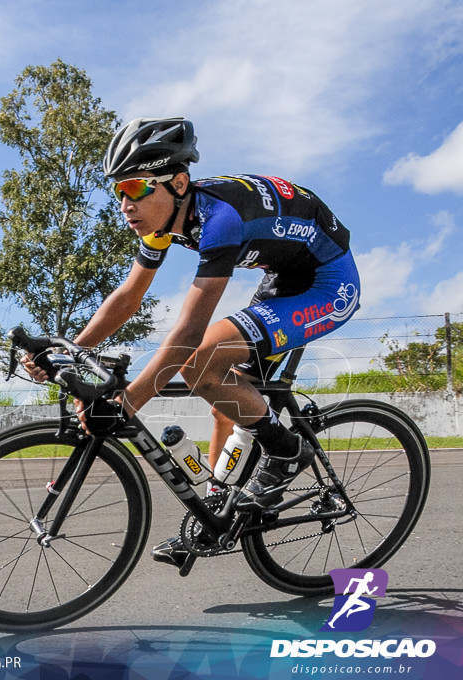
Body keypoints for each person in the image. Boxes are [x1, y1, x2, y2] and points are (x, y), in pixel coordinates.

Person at [22, 117, 360, 568]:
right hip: (283, 277)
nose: (126, 203)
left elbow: (187, 334)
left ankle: (287, 451)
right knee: (226, 396)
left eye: (138, 188)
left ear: (178, 183)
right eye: (119, 191)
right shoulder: (164, 221)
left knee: (201, 365)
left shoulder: (219, 219)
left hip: (327, 284)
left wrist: (129, 401)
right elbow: (127, 297)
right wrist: (69, 349)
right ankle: (218, 518)